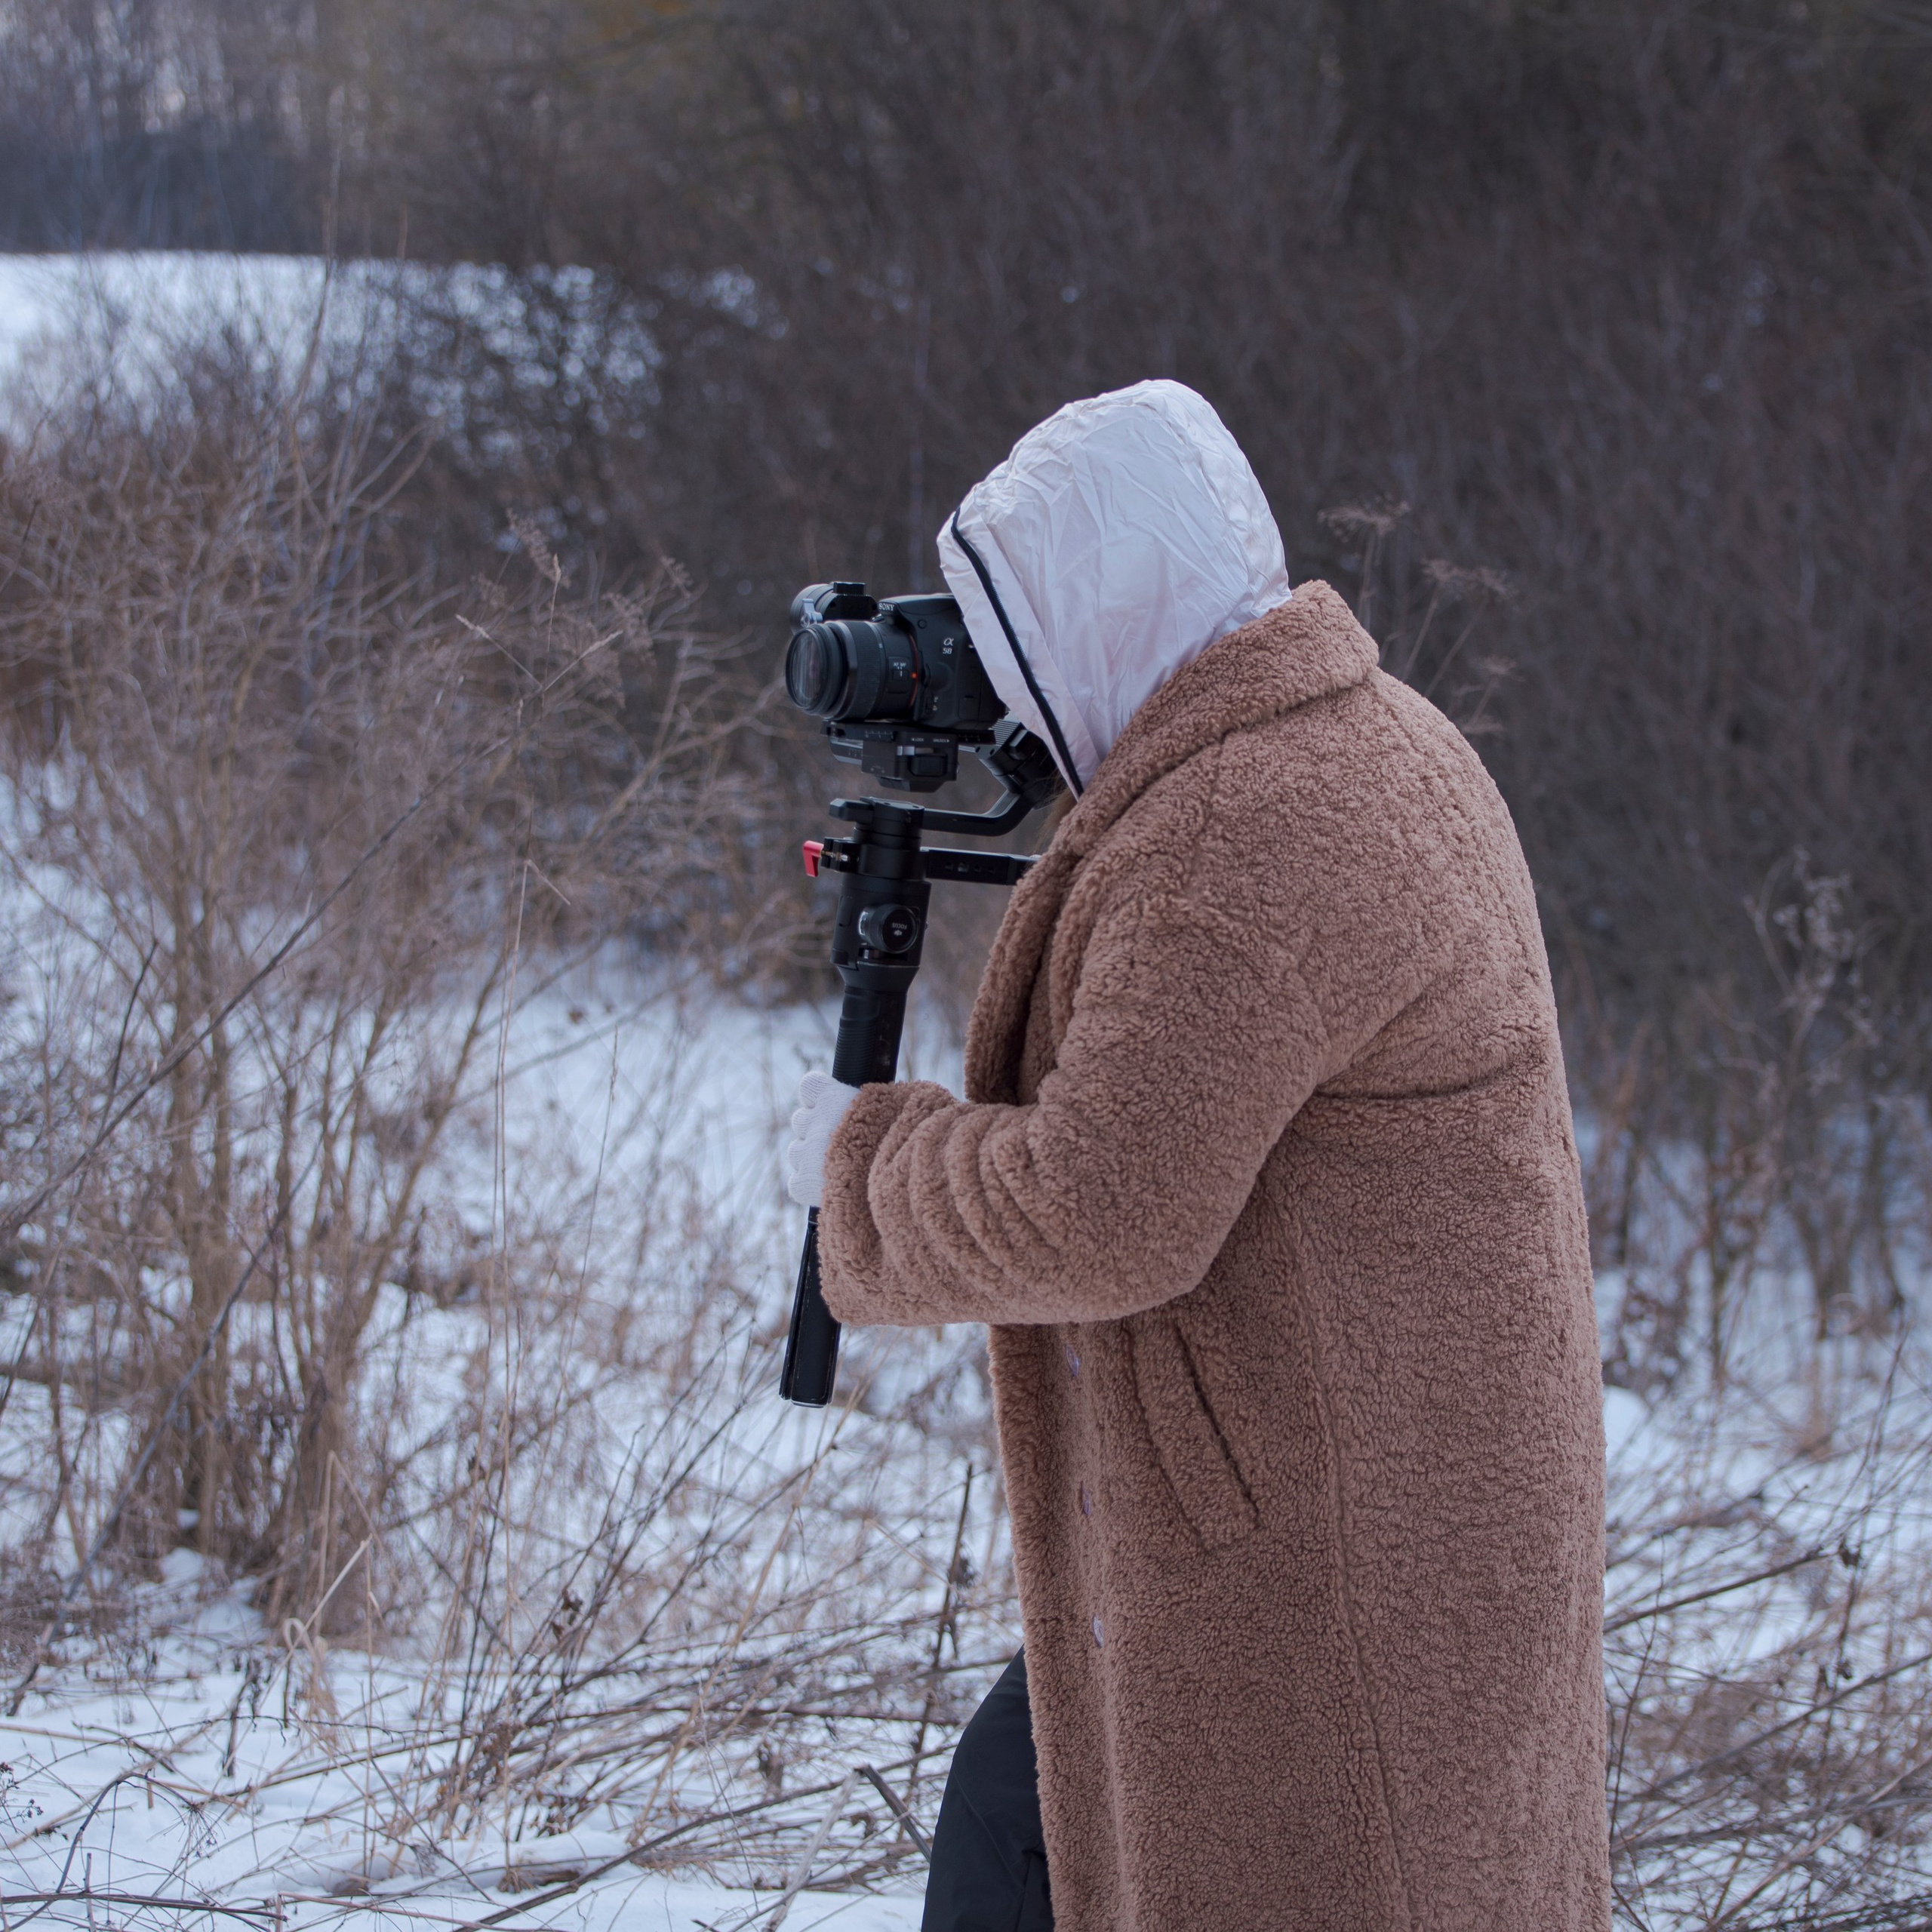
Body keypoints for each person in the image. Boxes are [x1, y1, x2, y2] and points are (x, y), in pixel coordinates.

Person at [780, 380, 1610, 1932]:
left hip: (1319, 1555)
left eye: (1019, 638)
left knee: (1065, 1836)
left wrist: (870, 1179)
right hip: (1385, 1507)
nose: (1007, 703)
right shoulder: (1368, 739)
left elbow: (1105, 1206)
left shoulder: (1245, 830)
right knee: (1025, 1813)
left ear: (1097, 614)